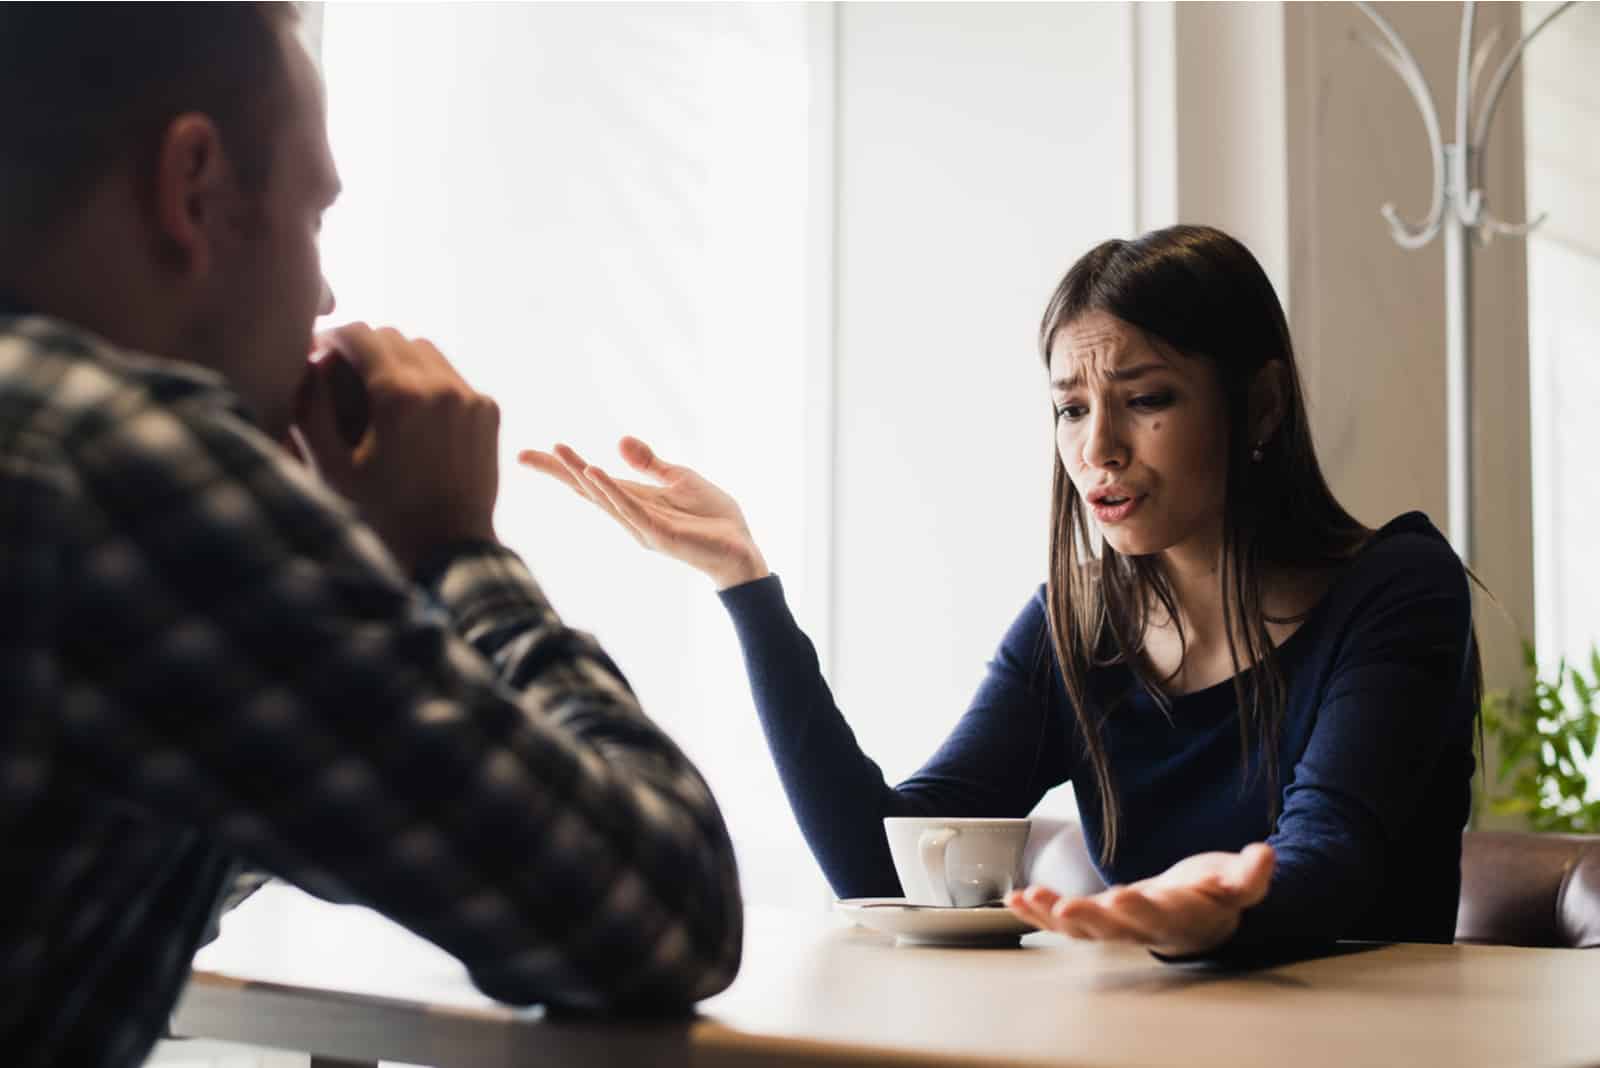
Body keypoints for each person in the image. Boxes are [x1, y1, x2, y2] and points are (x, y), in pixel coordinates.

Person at [0, 6, 741, 1066]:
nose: (328, 291)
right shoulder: (112, 458)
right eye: (315, 215)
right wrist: (452, 553)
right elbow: (666, 909)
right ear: (193, 186)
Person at [521, 224, 1480, 962]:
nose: (1096, 447)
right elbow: (884, 860)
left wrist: (1219, 908)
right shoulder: (1077, 626)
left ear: (1260, 405)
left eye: (1146, 399)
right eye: (1070, 407)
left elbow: (1331, 857)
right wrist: (747, 587)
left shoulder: (1395, 590)